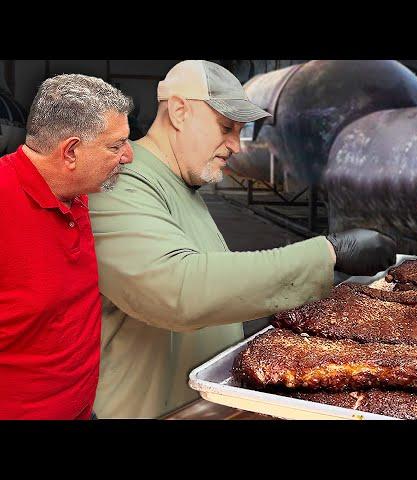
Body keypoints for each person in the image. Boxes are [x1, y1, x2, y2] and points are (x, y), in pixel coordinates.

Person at [88, 60, 396, 418]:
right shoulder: (119, 183)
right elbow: (176, 289)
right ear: (179, 111)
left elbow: (223, 282)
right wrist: (328, 253)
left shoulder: (183, 186)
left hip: (202, 406)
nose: (235, 145)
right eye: (226, 127)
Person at [0, 74, 133, 419]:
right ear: (71, 151)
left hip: (82, 407)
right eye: (115, 146)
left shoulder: (75, 192)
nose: (128, 156)